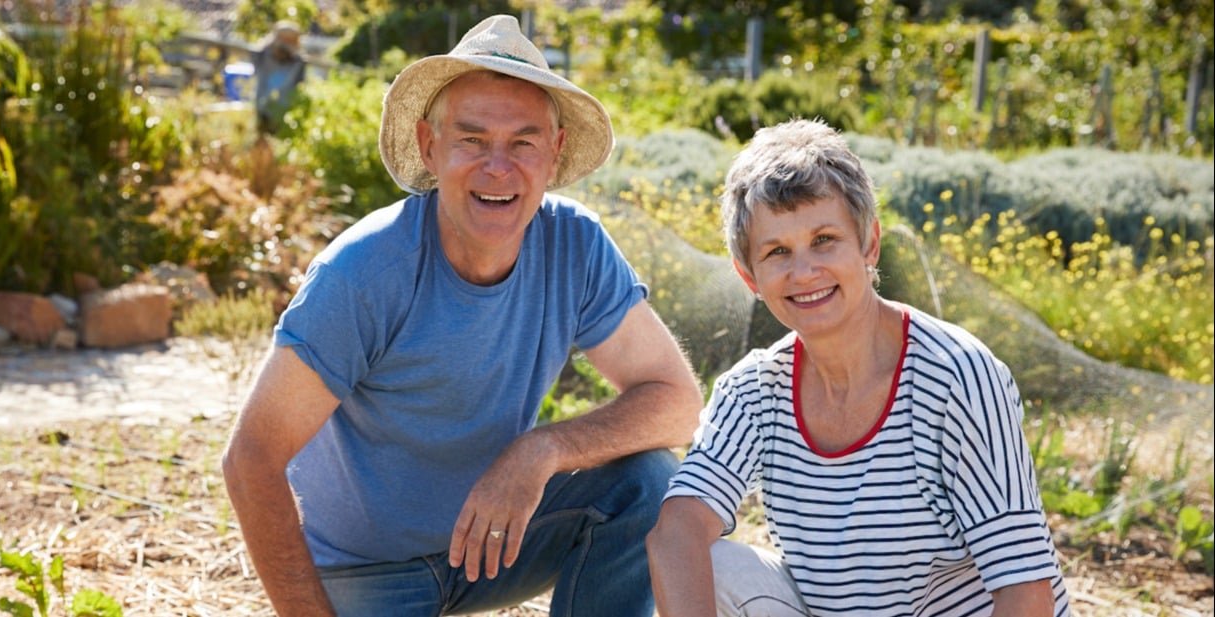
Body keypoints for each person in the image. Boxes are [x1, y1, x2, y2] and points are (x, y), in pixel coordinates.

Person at [222, 14, 702, 617]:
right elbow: (251, 459)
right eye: (472, 139)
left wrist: (541, 450)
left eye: (523, 142)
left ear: (554, 154)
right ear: (430, 146)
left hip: (492, 547)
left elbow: (678, 402)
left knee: (650, 483)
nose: (497, 167)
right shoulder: (364, 274)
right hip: (369, 569)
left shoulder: (574, 246)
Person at [646, 119, 1071, 617]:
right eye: (777, 251)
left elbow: (1026, 592)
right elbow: (676, 530)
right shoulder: (754, 390)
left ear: (870, 245)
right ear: (748, 276)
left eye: (825, 240)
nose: (804, 272)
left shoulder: (958, 377)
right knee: (705, 564)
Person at [253, 20, 306, 134]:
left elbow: (299, 83)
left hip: (282, 109)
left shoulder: (297, 62)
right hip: (263, 104)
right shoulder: (264, 53)